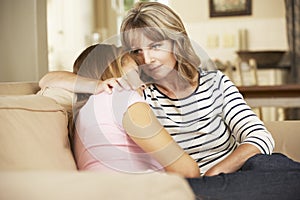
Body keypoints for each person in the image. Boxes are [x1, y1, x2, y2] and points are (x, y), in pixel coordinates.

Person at [39, 2, 300, 199]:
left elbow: (258, 137)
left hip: (232, 173)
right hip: (193, 185)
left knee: (270, 162)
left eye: (155, 46)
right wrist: (95, 84)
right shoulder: (137, 93)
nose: (147, 59)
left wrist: (216, 172)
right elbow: (50, 79)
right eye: (136, 51)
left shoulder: (215, 82)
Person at [68, 43, 200, 177]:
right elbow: (188, 170)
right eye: (136, 73)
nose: (143, 84)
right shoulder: (123, 98)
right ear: (114, 70)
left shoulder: (84, 112)